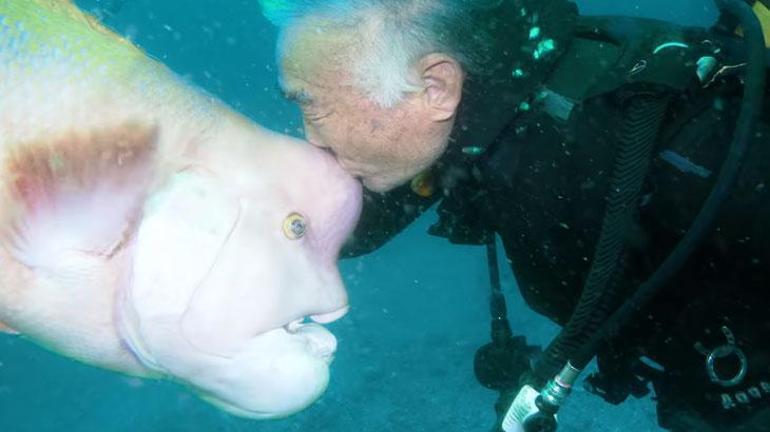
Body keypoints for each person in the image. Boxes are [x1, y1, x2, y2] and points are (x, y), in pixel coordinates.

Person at [258, 0, 770, 430]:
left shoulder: (661, 132)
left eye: (313, 106)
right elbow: (337, 224)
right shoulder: (469, 128)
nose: (310, 137)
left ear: (436, 87)